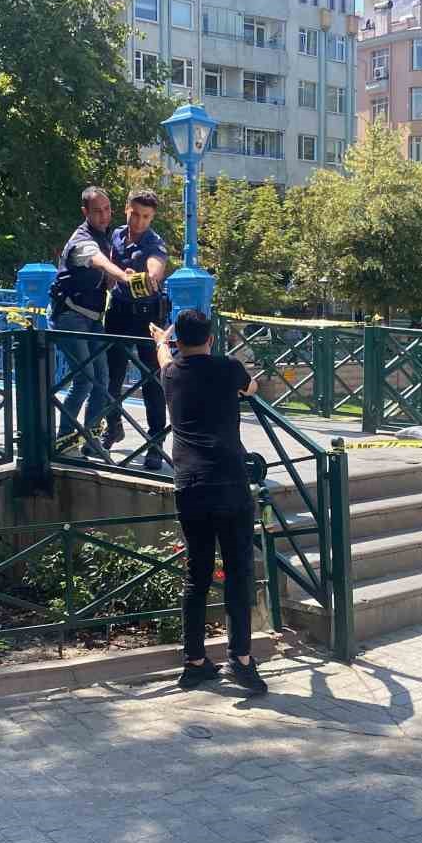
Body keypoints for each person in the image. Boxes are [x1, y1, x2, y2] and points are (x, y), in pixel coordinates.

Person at [150, 308, 267, 695]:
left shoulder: (171, 373)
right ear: (211, 338)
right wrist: (249, 387)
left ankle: (195, 661)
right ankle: (241, 659)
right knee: (237, 573)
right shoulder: (228, 368)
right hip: (230, 482)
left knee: (196, 576)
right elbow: (250, 389)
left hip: (190, 484)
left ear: (179, 341)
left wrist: (160, 341)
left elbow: (164, 357)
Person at [51, 187, 136, 458]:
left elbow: (102, 275)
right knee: (84, 381)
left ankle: (91, 440)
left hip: (93, 318)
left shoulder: (105, 237)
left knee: (103, 380)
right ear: (85, 212)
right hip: (70, 317)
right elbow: (97, 261)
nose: (104, 215)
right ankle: (64, 442)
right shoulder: (82, 240)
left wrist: (120, 275)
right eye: (97, 211)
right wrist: (123, 277)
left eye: (108, 209)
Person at [102, 190, 170, 472]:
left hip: (148, 319)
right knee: (111, 377)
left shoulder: (154, 242)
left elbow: (156, 266)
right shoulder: (116, 235)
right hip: (117, 313)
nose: (140, 222)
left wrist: (151, 276)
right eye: (136, 214)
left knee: (151, 382)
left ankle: (154, 445)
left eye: (147, 217)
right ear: (127, 209)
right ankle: (112, 428)